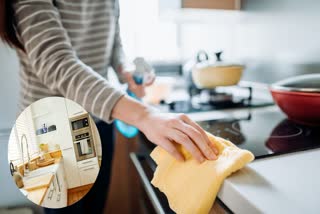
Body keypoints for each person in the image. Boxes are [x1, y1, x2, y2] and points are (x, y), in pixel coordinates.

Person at [0, 0, 218, 213]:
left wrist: (126, 69)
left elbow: (114, 45)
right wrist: (145, 115)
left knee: (96, 207)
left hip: (95, 121)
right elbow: (56, 62)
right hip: (48, 131)